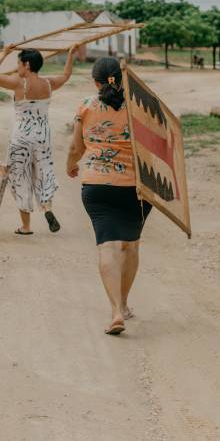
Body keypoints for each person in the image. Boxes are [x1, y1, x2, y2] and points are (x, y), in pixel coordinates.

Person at [66, 57, 152, 336]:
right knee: (131, 246)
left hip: (97, 186)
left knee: (107, 246)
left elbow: (75, 148)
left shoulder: (86, 106)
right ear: (122, 79)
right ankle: (124, 304)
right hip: (136, 188)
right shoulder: (140, 108)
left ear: (95, 81)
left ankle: (115, 311)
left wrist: (71, 166)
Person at [0, 44, 76, 236]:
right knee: (44, 173)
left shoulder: (19, 83)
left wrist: (4, 53)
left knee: (21, 178)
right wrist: (70, 54)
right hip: (42, 136)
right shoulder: (49, 84)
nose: (17, 67)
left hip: (21, 138)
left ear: (26, 65)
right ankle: (47, 209)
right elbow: (67, 75)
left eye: (18, 63)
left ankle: (26, 227)